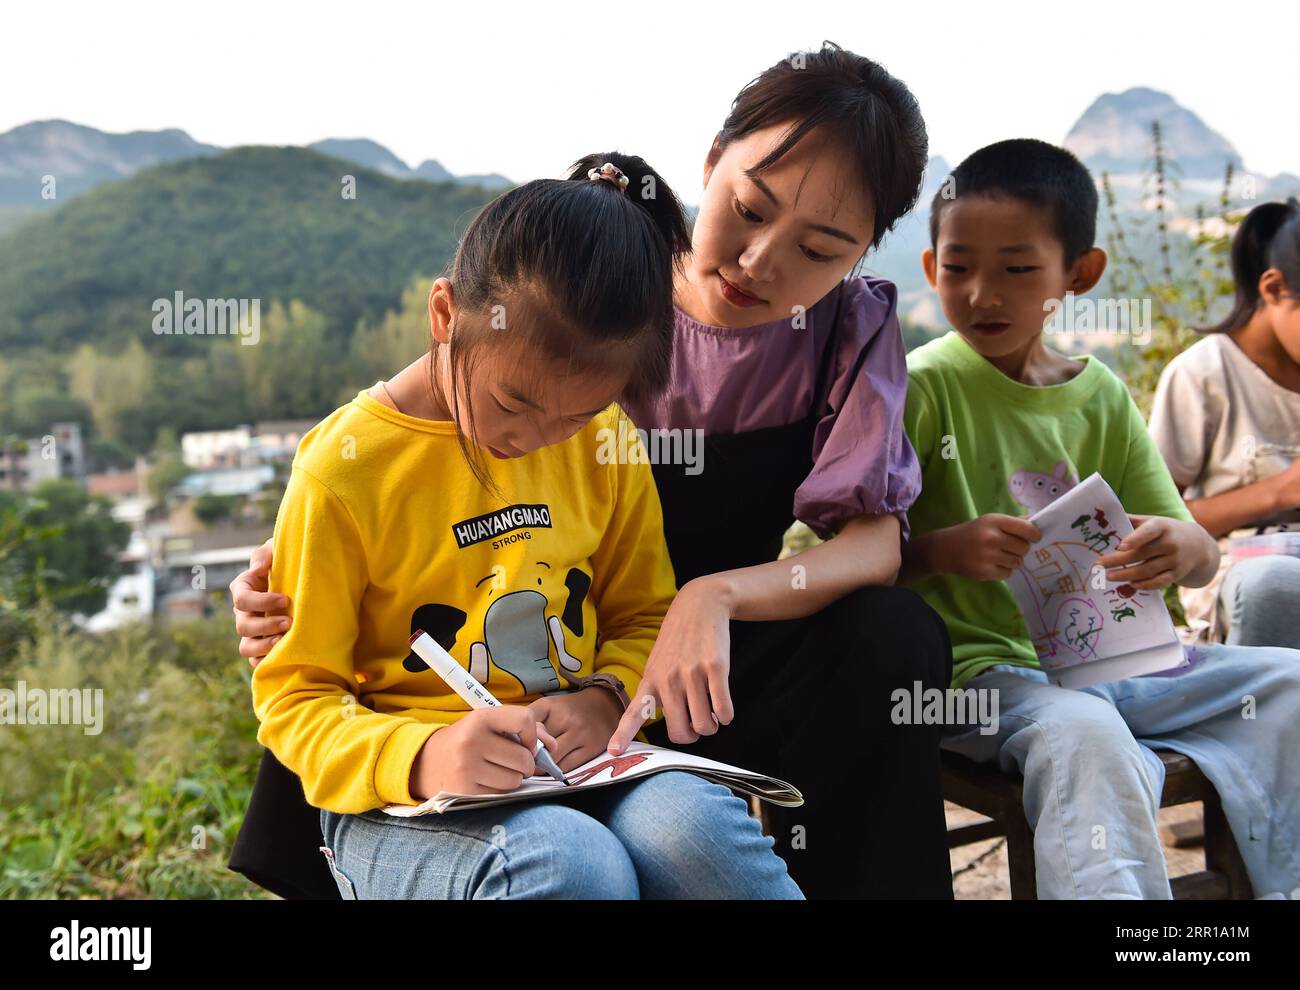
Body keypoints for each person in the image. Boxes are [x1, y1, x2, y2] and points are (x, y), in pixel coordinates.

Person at [233, 42, 955, 900]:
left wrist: (696, 612)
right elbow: (438, 438)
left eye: (821, 249)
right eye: (750, 209)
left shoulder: (835, 336)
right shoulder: (588, 293)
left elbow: (869, 545)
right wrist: (304, 585)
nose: (761, 264)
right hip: (446, 706)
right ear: (711, 162)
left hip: (655, 669)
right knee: (571, 862)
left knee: (890, 641)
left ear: (865, 253)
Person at [244, 152, 802, 899]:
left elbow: (646, 614)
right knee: (568, 862)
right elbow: (296, 699)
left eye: (574, 416)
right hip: (400, 803)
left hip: (582, 768)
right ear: (445, 315)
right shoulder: (346, 470)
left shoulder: (605, 442)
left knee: (697, 832)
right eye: (512, 403)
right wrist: (426, 754)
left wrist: (606, 694)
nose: (535, 439)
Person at [899, 137, 1300, 898]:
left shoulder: (1102, 395)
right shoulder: (921, 388)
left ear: (1079, 275)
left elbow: (1201, 554)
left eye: (1018, 269)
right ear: (930, 269)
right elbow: (856, 549)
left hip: (1119, 663)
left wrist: (1175, 545)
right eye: (958, 268)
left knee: (1291, 685)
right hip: (976, 677)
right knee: (1086, 737)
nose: (983, 294)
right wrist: (942, 550)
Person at [1147, 198, 1300, 648]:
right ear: (1273, 289)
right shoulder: (1204, 374)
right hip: (1242, 574)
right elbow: (1157, 522)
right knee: (1273, 585)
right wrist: (1280, 490)